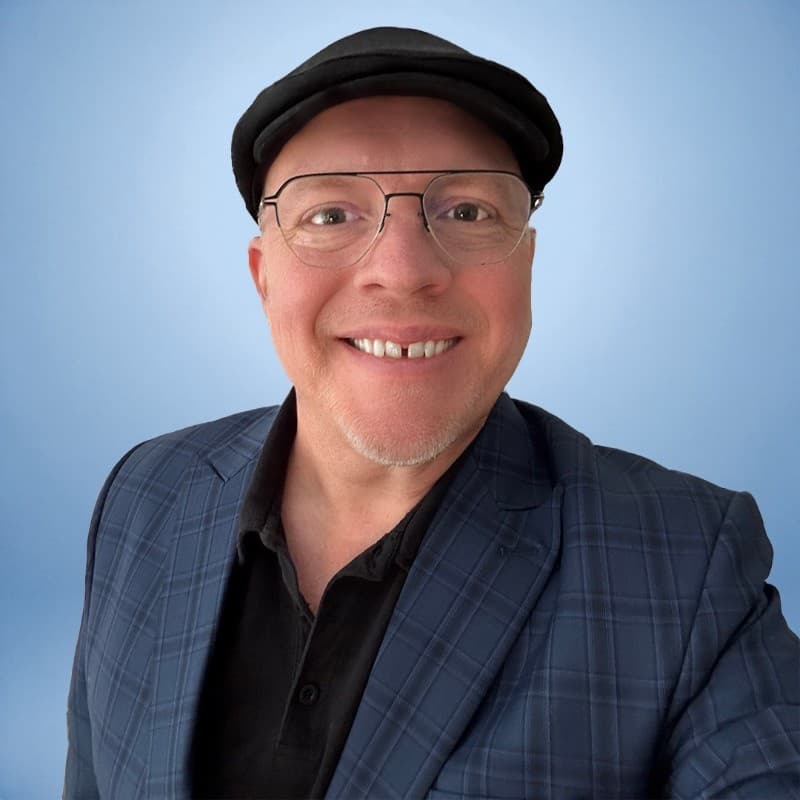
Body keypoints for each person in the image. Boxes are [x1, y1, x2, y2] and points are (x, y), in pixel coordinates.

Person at [64, 26, 800, 800]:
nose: (403, 271)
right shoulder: (145, 494)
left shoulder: (682, 562)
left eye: (468, 212)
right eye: (330, 215)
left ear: (526, 263)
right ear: (262, 275)